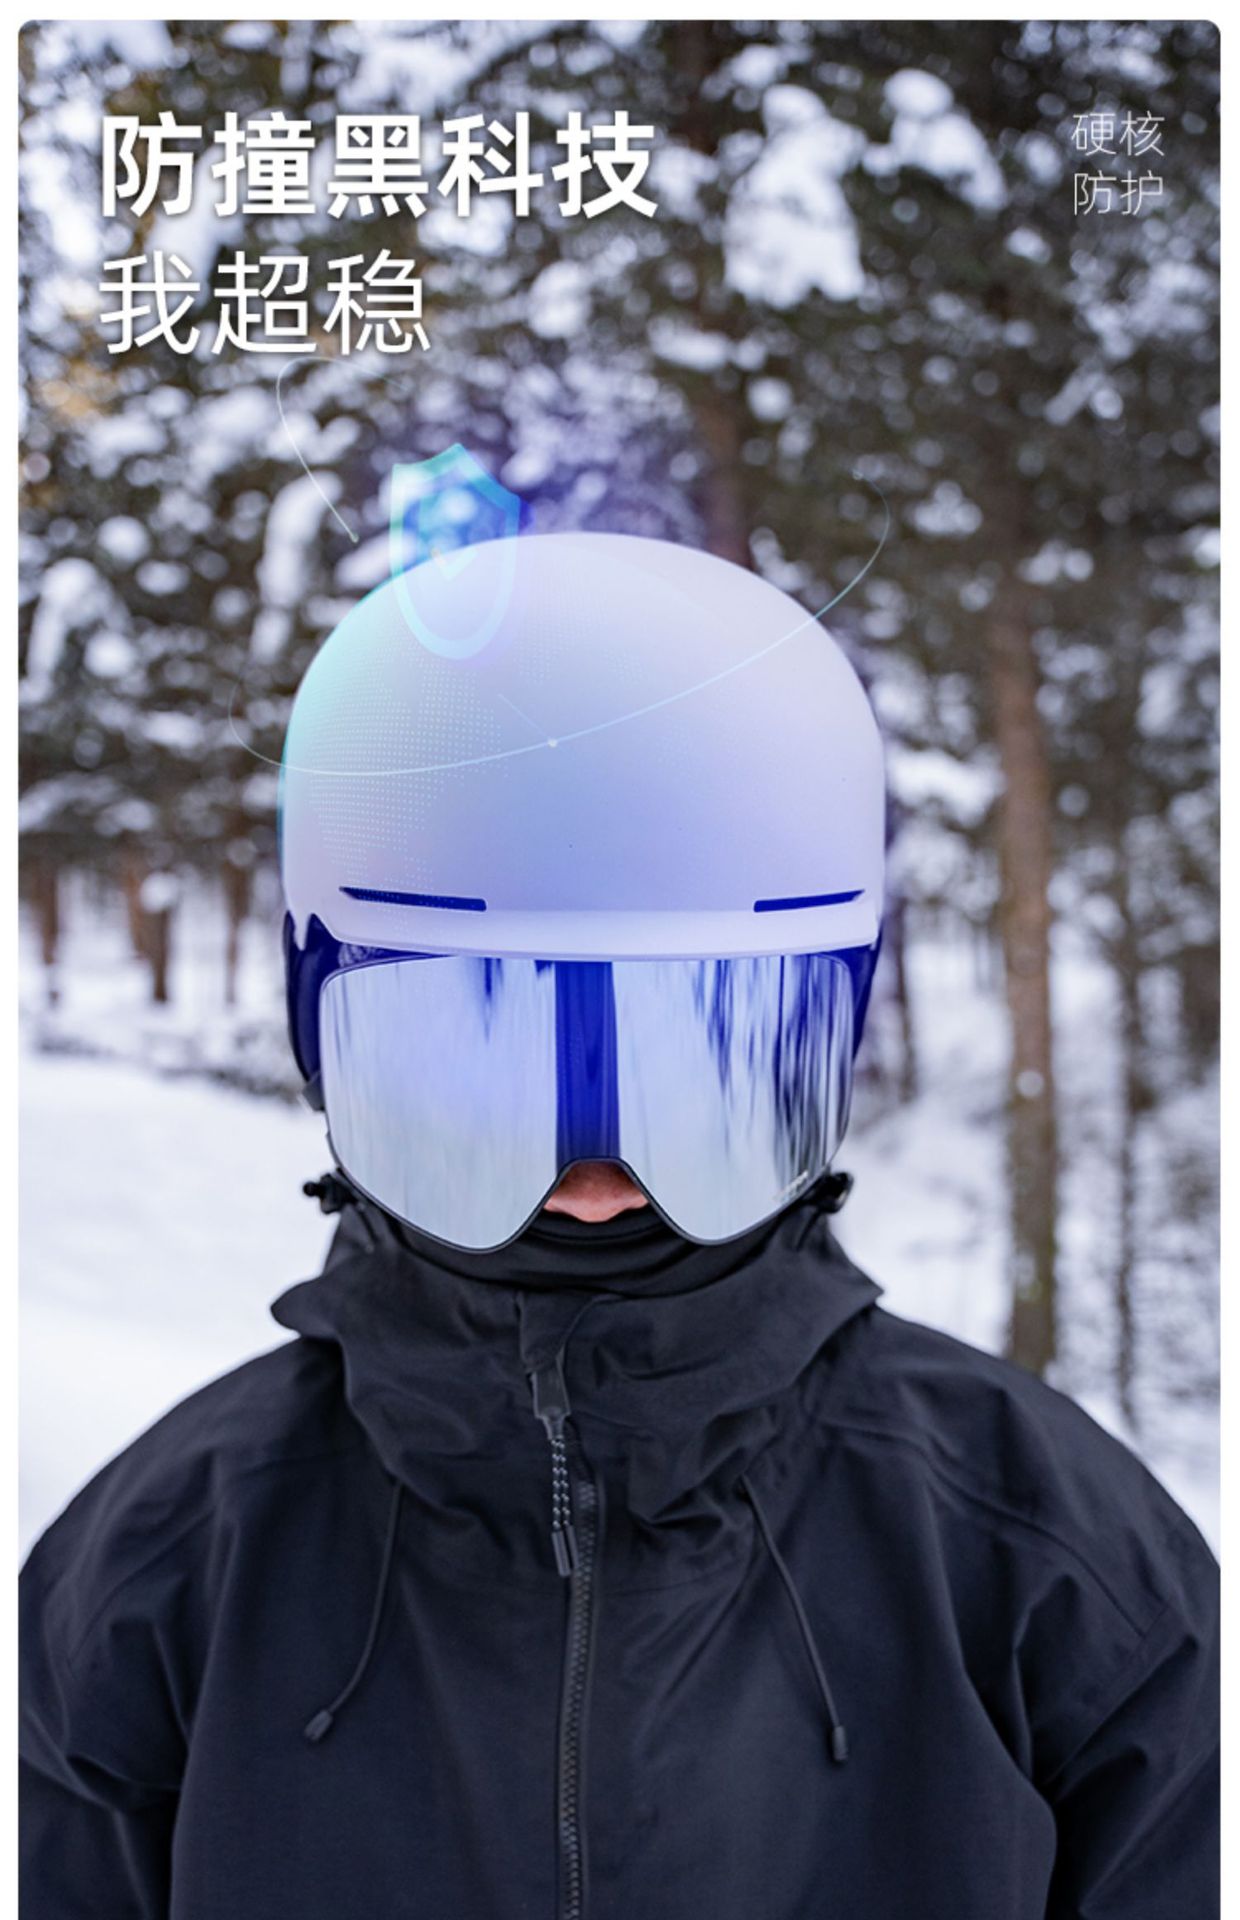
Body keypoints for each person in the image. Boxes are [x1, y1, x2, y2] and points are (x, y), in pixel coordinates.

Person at [21, 528, 1218, 1919]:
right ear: (322, 1037)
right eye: (485, 1065)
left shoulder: (1046, 1562)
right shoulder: (170, 1566)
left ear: (830, 1038)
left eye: (691, 1068)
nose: (595, 1182)